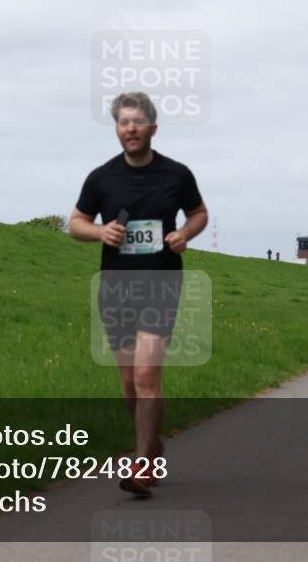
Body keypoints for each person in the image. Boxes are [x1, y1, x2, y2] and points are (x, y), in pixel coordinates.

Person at [69, 91, 208, 497]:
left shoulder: (176, 175)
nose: (130, 129)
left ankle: (142, 463)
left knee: (148, 374)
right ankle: (152, 445)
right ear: (117, 129)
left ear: (152, 128)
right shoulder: (101, 178)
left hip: (161, 282)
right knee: (129, 383)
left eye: (137, 122)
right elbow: (76, 221)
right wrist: (99, 231)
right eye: (123, 123)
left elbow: (199, 213)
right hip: (116, 286)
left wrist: (184, 233)